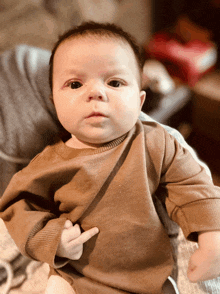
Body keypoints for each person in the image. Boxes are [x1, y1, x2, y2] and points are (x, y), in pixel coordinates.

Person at [1, 22, 220, 294]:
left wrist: (211, 239)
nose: (96, 92)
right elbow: (17, 208)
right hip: (74, 278)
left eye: (115, 82)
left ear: (139, 102)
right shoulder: (46, 165)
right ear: (54, 103)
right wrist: (52, 239)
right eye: (75, 84)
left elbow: (193, 186)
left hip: (149, 278)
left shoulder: (155, 142)